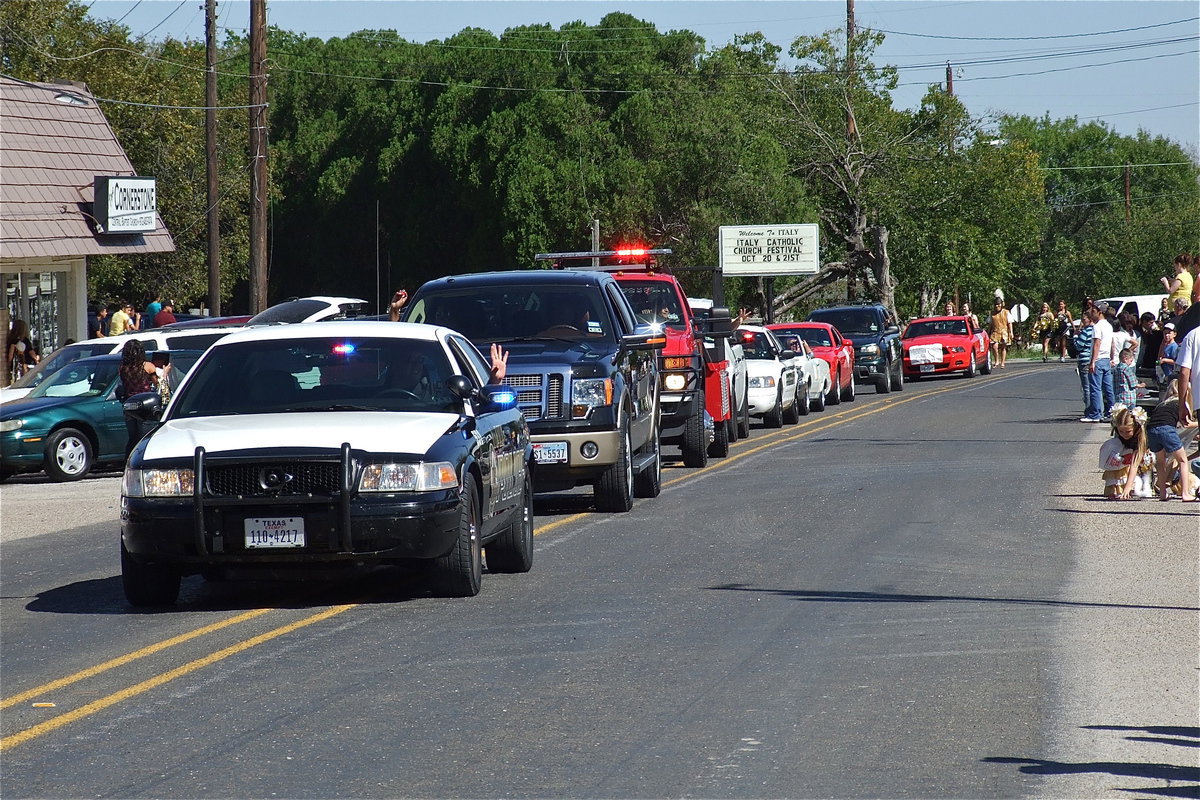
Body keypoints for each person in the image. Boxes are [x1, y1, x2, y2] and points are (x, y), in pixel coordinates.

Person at [1147, 378, 1197, 502]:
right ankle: (1185, 493)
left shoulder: (1163, 404)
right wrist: (1198, 424)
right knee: (1183, 460)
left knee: (1161, 461)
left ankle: (1163, 492)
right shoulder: (1181, 403)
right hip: (1166, 430)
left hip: (1152, 430)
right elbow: (1186, 424)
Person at [118, 339, 158, 458]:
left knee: (132, 437)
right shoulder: (148, 366)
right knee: (144, 436)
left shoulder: (122, 368)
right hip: (145, 404)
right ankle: (144, 458)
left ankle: (129, 459)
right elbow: (157, 383)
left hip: (129, 403)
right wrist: (165, 372)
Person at [1098, 404, 1148, 499]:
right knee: (1118, 459)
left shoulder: (1140, 437)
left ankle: (1130, 486)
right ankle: (1115, 488)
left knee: (1135, 462)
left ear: (1135, 427)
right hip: (1127, 454)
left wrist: (1128, 487)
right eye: (1121, 431)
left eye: (1128, 431)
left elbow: (1134, 464)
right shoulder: (1120, 435)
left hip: (1142, 458)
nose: (1124, 434)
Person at [1089, 304, 1116, 421]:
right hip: (1106, 359)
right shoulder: (1109, 326)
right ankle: (1112, 411)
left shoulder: (1097, 327)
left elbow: (1097, 343)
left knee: (1096, 388)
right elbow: (1112, 343)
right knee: (1108, 388)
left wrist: (1093, 361)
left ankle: (1096, 413)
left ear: (1100, 312)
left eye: (1093, 311)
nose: (1091, 313)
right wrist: (1111, 357)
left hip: (1099, 358)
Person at [1074, 311, 1096, 422]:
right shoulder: (1096, 330)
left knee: (1086, 387)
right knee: (1095, 387)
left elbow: (1078, 346)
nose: (1083, 322)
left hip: (1085, 360)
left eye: (1084, 320)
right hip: (1094, 359)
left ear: (1089, 319)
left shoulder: (1085, 332)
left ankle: (1088, 411)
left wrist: (1075, 336)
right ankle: (1096, 409)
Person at [989, 298, 1013, 368]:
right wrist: (988, 333)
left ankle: (1002, 362)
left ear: (1001, 304)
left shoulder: (1006, 312)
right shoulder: (992, 314)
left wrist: (1011, 332)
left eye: (998, 304)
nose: (997, 306)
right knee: (994, 347)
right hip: (995, 332)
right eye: (996, 304)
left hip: (1004, 332)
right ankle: (997, 361)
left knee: (1003, 347)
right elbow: (990, 324)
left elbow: (1009, 323)